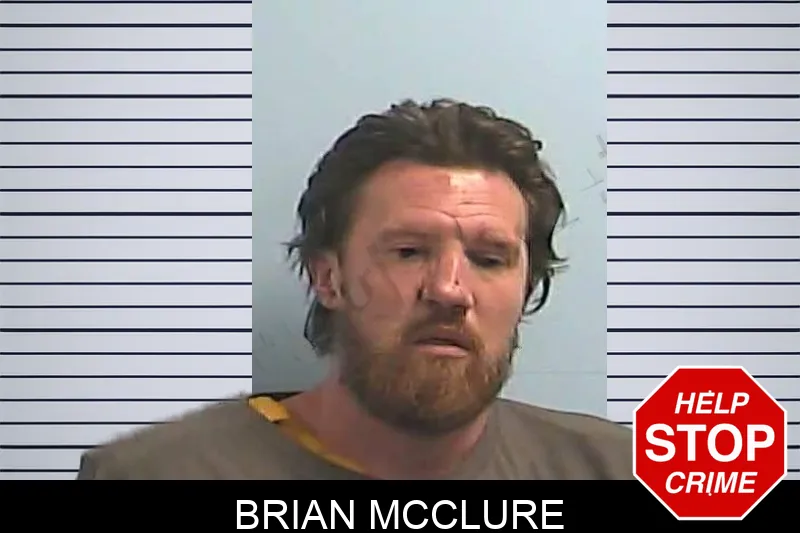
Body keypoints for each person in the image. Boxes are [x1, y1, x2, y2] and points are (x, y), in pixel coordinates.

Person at [76, 98, 631, 480]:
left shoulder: (621, 471)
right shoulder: (157, 474)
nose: (448, 289)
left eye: (488, 259)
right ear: (328, 277)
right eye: (408, 252)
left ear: (527, 288)